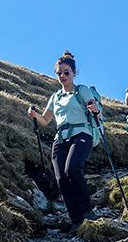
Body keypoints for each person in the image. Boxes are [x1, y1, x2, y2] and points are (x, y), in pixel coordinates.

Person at [27, 52, 103, 231]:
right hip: (60, 139)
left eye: (66, 72)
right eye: (59, 73)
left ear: (74, 73)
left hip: (81, 134)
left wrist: (95, 109)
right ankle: (75, 219)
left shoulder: (81, 90)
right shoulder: (55, 97)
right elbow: (45, 120)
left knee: (73, 169)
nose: (62, 76)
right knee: (61, 178)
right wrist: (34, 115)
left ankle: (87, 210)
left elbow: (95, 110)